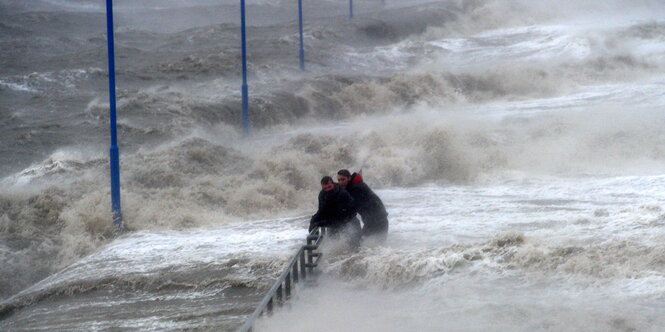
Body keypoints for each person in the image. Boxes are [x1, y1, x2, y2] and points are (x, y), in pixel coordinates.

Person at [309, 176, 361, 247]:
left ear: (333, 184)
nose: (327, 189)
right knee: (332, 244)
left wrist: (322, 223)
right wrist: (313, 221)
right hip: (334, 222)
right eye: (325, 188)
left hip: (349, 221)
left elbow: (340, 217)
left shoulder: (342, 194)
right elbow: (321, 211)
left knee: (354, 248)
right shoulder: (322, 194)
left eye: (329, 187)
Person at [337, 169, 388, 240]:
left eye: (343, 179)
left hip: (377, 220)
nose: (340, 182)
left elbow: (351, 207)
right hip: (376, 218)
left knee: (364, 245)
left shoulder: (356, 188)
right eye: (339, 180)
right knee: (370, 246)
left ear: (349, 178)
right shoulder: (353, 186)